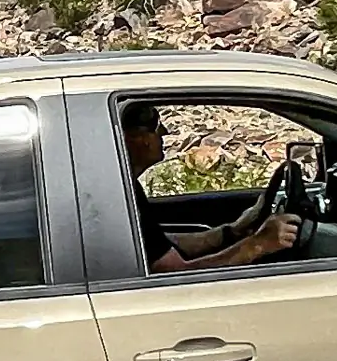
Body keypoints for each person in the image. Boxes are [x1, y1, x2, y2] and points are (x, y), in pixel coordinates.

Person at [122, 106, 300, 272]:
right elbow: (176, 274)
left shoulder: (125, 188)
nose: (164, 132)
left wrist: (231, 231)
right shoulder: (114, 199)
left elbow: (161, 244)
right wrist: (257, 245)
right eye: (154, 127)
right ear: (131, 138)